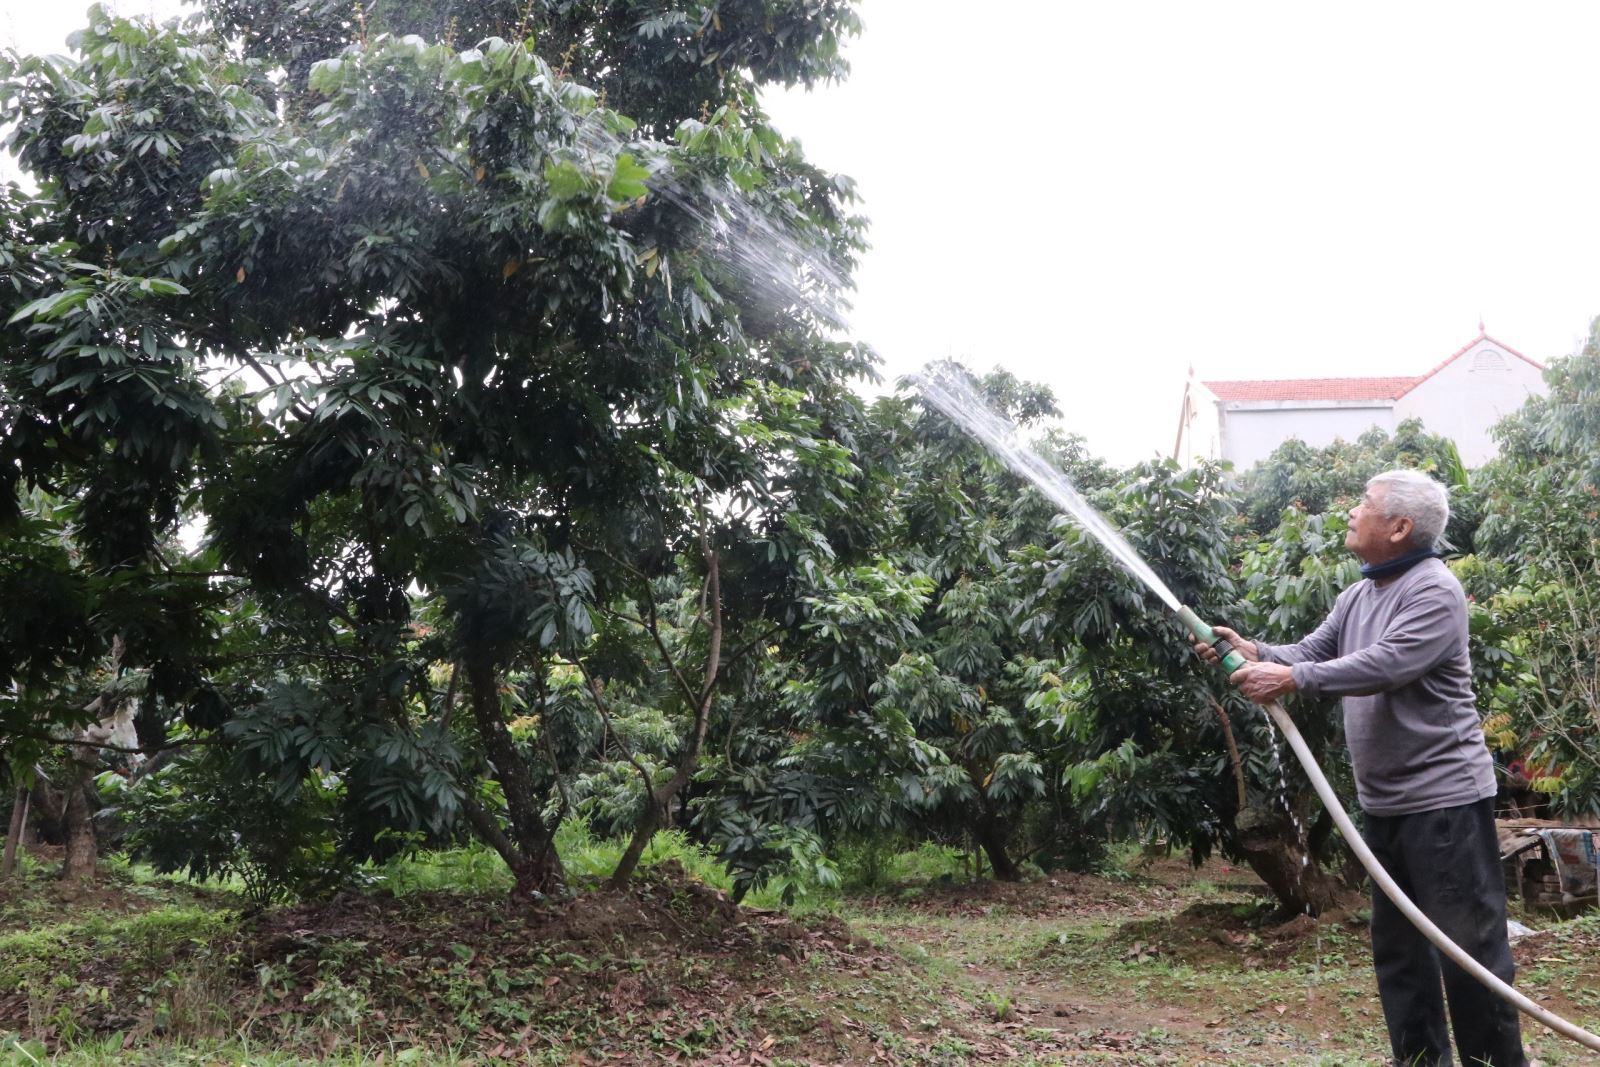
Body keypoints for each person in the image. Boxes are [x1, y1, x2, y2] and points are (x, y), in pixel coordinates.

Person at [1194, 469, 1526, 1067]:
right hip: (1386, 805)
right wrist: (1256, 653)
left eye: (1364, 504)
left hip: (1444, 804)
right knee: (1400, 953)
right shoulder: (1360, 593)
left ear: (1399, 527)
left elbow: (1386, 663)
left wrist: (1291, 678)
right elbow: (1314, 652)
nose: (1352, 512)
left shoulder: (1434, 590)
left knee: (1467, 953)